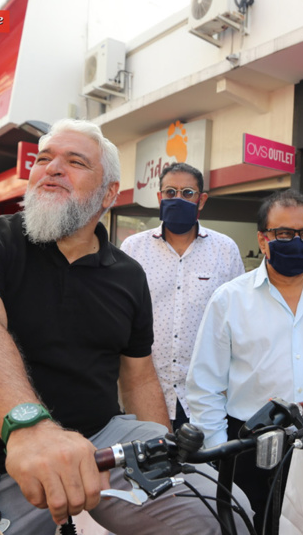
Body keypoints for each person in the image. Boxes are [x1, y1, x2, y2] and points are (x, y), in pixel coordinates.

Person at [0, 119, 250, 535]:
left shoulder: (128, 273)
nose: (53, 168)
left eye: (75, 161)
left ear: (109, 193)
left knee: (226, 512)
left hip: (106, 443)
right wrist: (28, 428)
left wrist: (164, 454)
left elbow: (139, 375)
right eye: (44, 159)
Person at [186, 188, 303, 534]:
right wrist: (221, 452)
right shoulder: (229, 299)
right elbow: (204, 385)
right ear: (263, 239)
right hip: (250, 447)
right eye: (284, 233)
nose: (297, 241)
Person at [121, 162, 244, 431]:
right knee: (150, 468)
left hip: (206, 396)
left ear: (201, 200)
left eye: (188, 193)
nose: (178, 199)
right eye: (170, 192)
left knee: (203, 470)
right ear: (159, 198)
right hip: (146, 390)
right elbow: (120, 316)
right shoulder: (133, 248)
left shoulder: (225, 250)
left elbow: (239, 318)